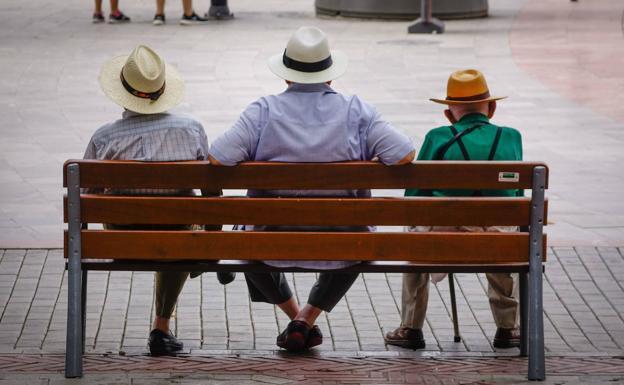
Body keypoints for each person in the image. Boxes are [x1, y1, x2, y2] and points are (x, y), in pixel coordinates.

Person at [208, 26, 415, 352]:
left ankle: (296, 319)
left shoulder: (262, 111)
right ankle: (304, 320)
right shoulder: (356, 111)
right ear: (330, 76)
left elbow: (217, 158)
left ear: (286, 76)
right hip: (344, 241)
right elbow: (404, 154)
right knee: (361, 238)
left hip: (270, 239)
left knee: (243, 235)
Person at [83, 45, 234, 356]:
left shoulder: (104, 138)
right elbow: (211, 194)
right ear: (162, 90)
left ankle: (162, 328)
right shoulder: (191, 130)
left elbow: (86, 197)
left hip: (120, 244)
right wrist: (213, 243)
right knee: (179, 228)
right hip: (179, 241)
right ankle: (162, 326)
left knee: (171, 228)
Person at [384, 69, 523, 350]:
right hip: (497, 244)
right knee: (506, 227)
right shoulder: (512, 137)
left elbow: (414, 198)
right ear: (492, 108)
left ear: (448, 114)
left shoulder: (437, 137)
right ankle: (508, 329)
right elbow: (517, 197)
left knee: (412, 232)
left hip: (441, 243)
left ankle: (411, 328)